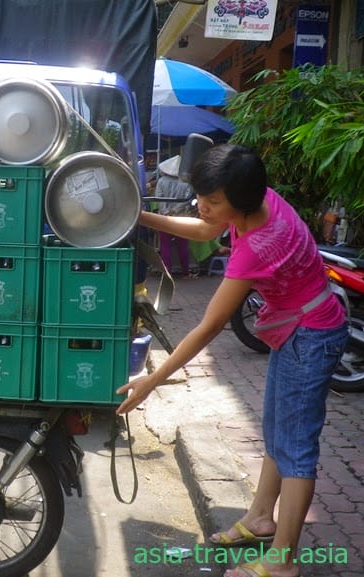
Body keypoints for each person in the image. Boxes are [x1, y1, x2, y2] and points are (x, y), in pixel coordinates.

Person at [116, 144, 347, 577]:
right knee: (277, 431)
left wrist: (152, 380)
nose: (202, 206)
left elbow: (209, 327)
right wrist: (137, 216)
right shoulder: (257, 199)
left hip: (311, 336)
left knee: (296, 450)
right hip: (296, 329)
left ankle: (283, 561)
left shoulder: (257, 246)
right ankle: (260, 518)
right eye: (201, 196)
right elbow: (206, 229)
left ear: (238, 202)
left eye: (212, 200)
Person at [154, 155, 196, 278]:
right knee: (183, 246)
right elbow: (187, 200)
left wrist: (166, 211)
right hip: (181, 217)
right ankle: (186, 272)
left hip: (164, 218)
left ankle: (167, 274)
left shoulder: (161, 181)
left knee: (165, 246)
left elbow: (159, 198)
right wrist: (175, 210)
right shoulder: (186, 183)